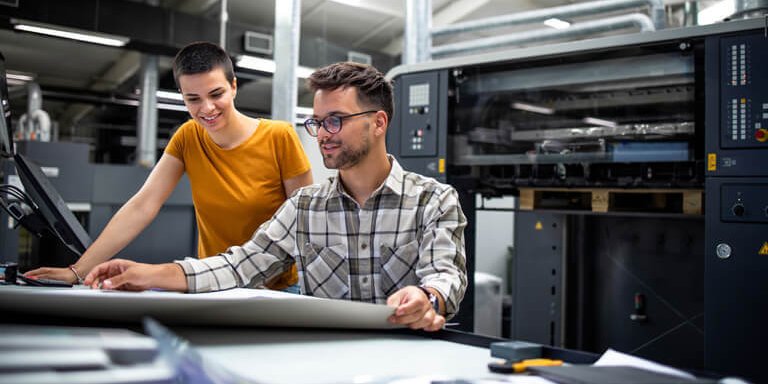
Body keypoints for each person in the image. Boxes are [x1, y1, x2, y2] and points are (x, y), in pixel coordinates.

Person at [84, 62, 467, 331]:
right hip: (326, 361)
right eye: (317, 122)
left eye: (335, 120)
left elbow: (446, 275)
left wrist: (427, 298)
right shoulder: (304, 207)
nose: (322, 134)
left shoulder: (433, 201)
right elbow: (239, 266)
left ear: (378, 122)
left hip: (409, 359)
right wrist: (148, 275)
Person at [26, 42, 313, 292]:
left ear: (234, 86)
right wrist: (78, 271)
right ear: (182, 96)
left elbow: (305, 224)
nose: (207, 108)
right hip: (214, 285)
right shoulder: (189, 137)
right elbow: (143, 206)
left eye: (216, 94)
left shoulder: (279, 137)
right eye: (193, 99)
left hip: (278, 289)